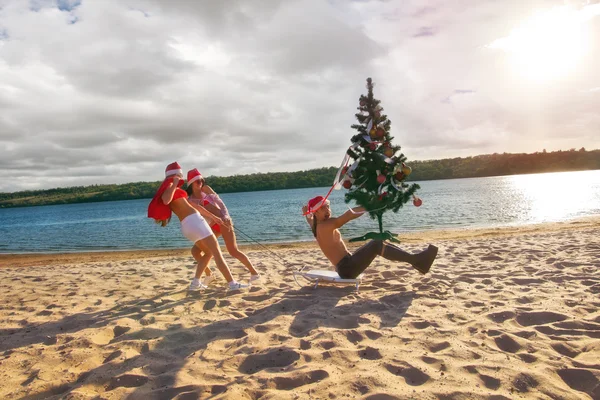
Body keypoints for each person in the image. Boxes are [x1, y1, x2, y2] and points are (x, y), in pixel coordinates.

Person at [148, 162, 249, 291]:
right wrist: (173, 183)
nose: (181, 178)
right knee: (217, 253)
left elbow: (196, 207)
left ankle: (196, 283)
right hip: (194, 222)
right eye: (180, 175)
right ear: (175, 175)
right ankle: (232, 284)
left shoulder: (174, 190)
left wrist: (215, 218)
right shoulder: (170, 188)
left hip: (189, 225)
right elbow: (166, 200)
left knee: (209, 252)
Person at [302, 195, 438, 279]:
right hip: (347, 268)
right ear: (315, 213)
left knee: (378, 242)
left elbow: (309, 219)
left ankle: (418, 261)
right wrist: (368, 206)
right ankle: (417, 261)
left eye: (328, 207)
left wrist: (306, 211)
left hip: (347, 266)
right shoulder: (326, 226)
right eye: (323, 209)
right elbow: (346, 217)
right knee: (376, 245)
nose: (328, 211)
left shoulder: (315, 226)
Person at [185, 168, 260, 289]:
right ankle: (209, 274)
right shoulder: (190, 200)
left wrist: (226, 216)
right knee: (195, 251)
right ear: (191, 183)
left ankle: (254, 273)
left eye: (201, 180)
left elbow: (220, 203)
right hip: (212, 225)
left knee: (233, 251)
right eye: (197, 181)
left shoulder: (206, 189)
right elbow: (200, 213)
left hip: (223, 221)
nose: (200, 183)